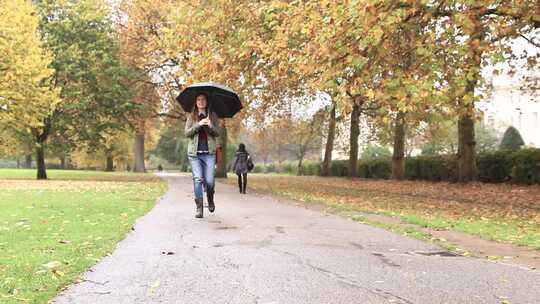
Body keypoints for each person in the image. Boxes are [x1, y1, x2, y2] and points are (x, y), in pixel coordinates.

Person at [184, 93, 220, 218]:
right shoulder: (191, 116)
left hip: (209, 154)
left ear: (206, 101)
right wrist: (198, 125)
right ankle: (199, 208)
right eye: (198, 99)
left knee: (210, 181)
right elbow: (187, 133)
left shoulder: (213, 115)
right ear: (196, 102)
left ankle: (210, 198)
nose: (201, 101)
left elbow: (217, 133)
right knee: (198, 179)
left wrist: (209, 125)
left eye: (203, 99)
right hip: (194, 154)